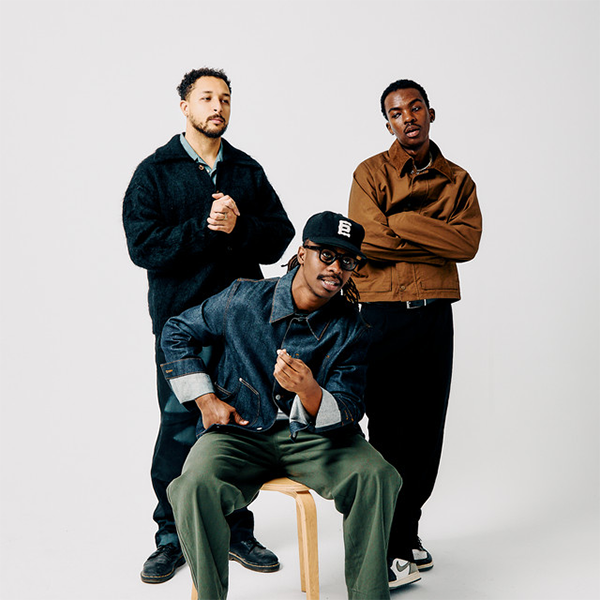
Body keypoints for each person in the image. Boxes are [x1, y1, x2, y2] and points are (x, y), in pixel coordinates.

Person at [162, 211, 407, 600]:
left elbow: (349, 405)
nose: (336, 268)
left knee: (377, 475)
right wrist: (206, 400)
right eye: (327, 255)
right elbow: (177, 330)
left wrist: (309, 391)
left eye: (347, 261)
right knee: (192, 487)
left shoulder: (350, 327)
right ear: (302, 253)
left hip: (317, 438)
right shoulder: (243, 299)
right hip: (239, 432)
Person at [123, 67, 295, 584]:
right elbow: (143, 246)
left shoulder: (246, 169)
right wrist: (203, 228)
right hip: (182, 329)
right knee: (179, 426)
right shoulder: (155, 172)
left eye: (224, 98)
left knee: (239, 427)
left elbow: (279, 236)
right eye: (206, 98)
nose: (217, 106)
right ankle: (171, 536)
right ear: (184, 106)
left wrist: (239, 226)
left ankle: (236, 529)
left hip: (241, 327)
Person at [348, 79, 482, 584]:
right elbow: (367, 240)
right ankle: (389, 543)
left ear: (430, 113)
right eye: (396, 112)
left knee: (427, 432)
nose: (408, 117)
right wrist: (433, 238)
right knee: (387, 430)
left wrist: (401, 221)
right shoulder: (369, 173)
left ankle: (408, 530)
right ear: (388, 123)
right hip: (381, 315)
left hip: (433, 315)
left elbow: (466, 244)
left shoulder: (458, 180)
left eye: (415, 107)